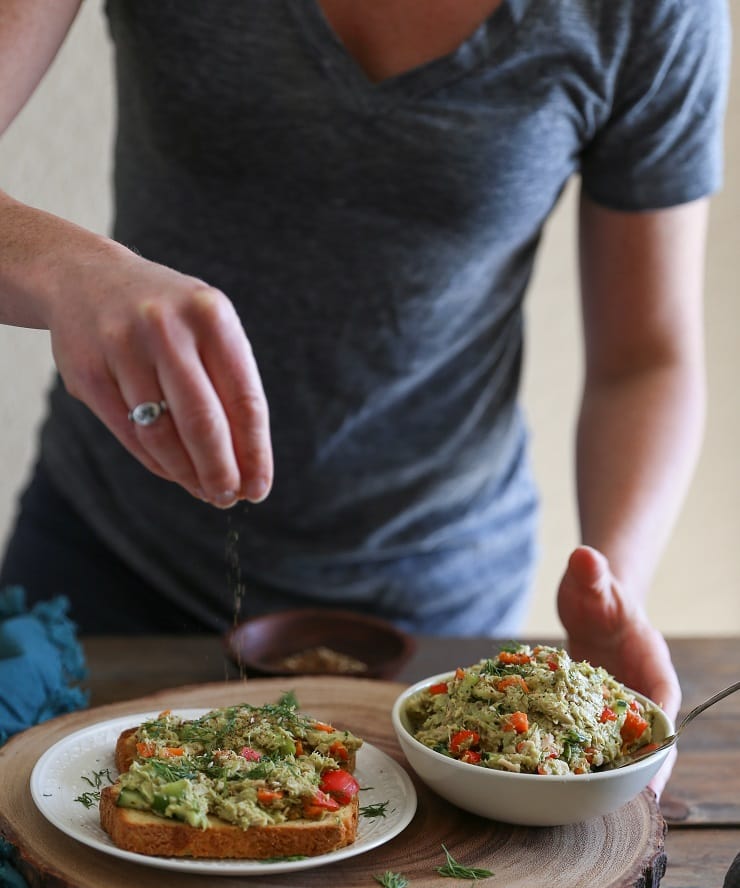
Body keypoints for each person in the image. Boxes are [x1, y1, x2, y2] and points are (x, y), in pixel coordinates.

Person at [0, 1, 730, 738]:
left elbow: (643, 359)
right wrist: (64, 267)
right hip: (108, 574)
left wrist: (617, 592)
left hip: (434, 624)